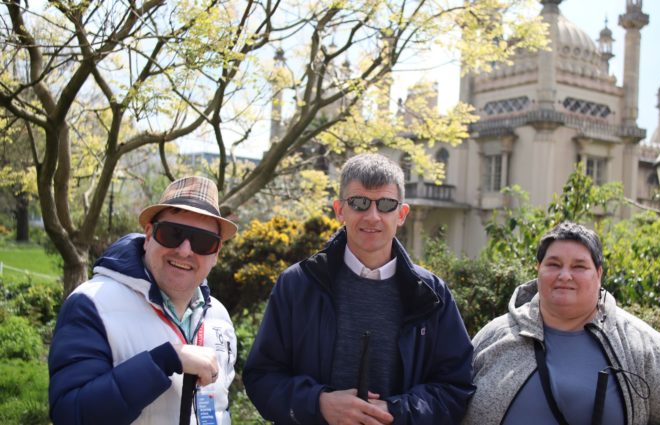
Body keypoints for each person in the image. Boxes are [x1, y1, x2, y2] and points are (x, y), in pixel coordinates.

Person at [243, 153, 475, 424]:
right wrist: (318, 404)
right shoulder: (298, 284)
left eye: (386, 204)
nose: (372, 216)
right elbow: (261, 377)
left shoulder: (432, 295)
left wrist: (395, 413)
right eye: (359, 203)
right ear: (340, 210)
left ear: (401, 214)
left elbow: (456, 388)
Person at [463, 221, 660, 425]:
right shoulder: (493, 336)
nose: (565, 275)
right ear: (538, 269)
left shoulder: (644, 345)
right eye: (554, 264)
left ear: (599, 274)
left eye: (579, 266)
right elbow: (452, 401)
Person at [48, 176, 239, 425]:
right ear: (149, 234)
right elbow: (71, 414)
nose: (184, 250)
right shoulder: (92, 303)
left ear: (216, 253)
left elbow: (218, 410)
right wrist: (165, 361)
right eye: (173, 233)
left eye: (203, 241)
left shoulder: (219, 318)